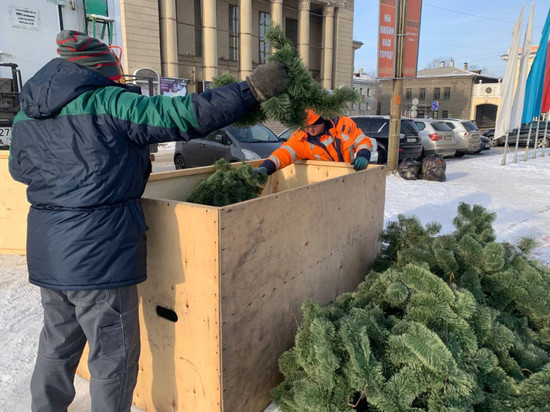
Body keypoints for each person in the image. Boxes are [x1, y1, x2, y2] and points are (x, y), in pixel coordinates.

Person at [8, 30, 289, 412]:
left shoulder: (26, 114)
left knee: (56, 343)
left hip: (47, 250)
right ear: (103, 72)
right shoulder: (109, 101)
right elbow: (181, 115)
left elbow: (19, 171)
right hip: (99, 255)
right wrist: (250, 91)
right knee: (113, 356)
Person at [255, 109, 373, 175]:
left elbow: (362, 140)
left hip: (351, 175)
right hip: (327, 182)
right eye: (307, 125)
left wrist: (363, 155)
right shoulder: (300, 139)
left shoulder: (344, 125)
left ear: (323, 120)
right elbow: (283, 154)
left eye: (315, 125)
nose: (310, 129)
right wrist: (266, 167)